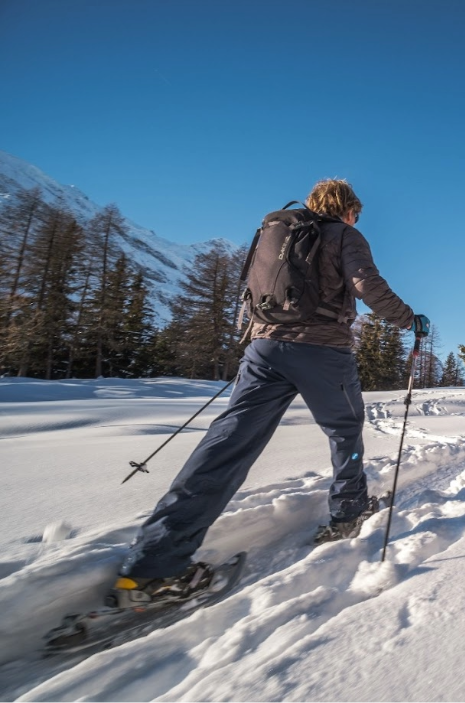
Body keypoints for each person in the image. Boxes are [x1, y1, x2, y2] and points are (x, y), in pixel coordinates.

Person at [108, 178, 429, 608]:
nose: (357, 218)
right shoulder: (343, 233)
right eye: (357, 212)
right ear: (347, 208)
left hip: (263, 351)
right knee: (344, 429)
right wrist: (409, 320)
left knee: (227, 444)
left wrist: (263, 342)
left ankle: (152, 566)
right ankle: (349, 509)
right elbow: (365, 284)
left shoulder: (278, 233)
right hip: (321, 351)